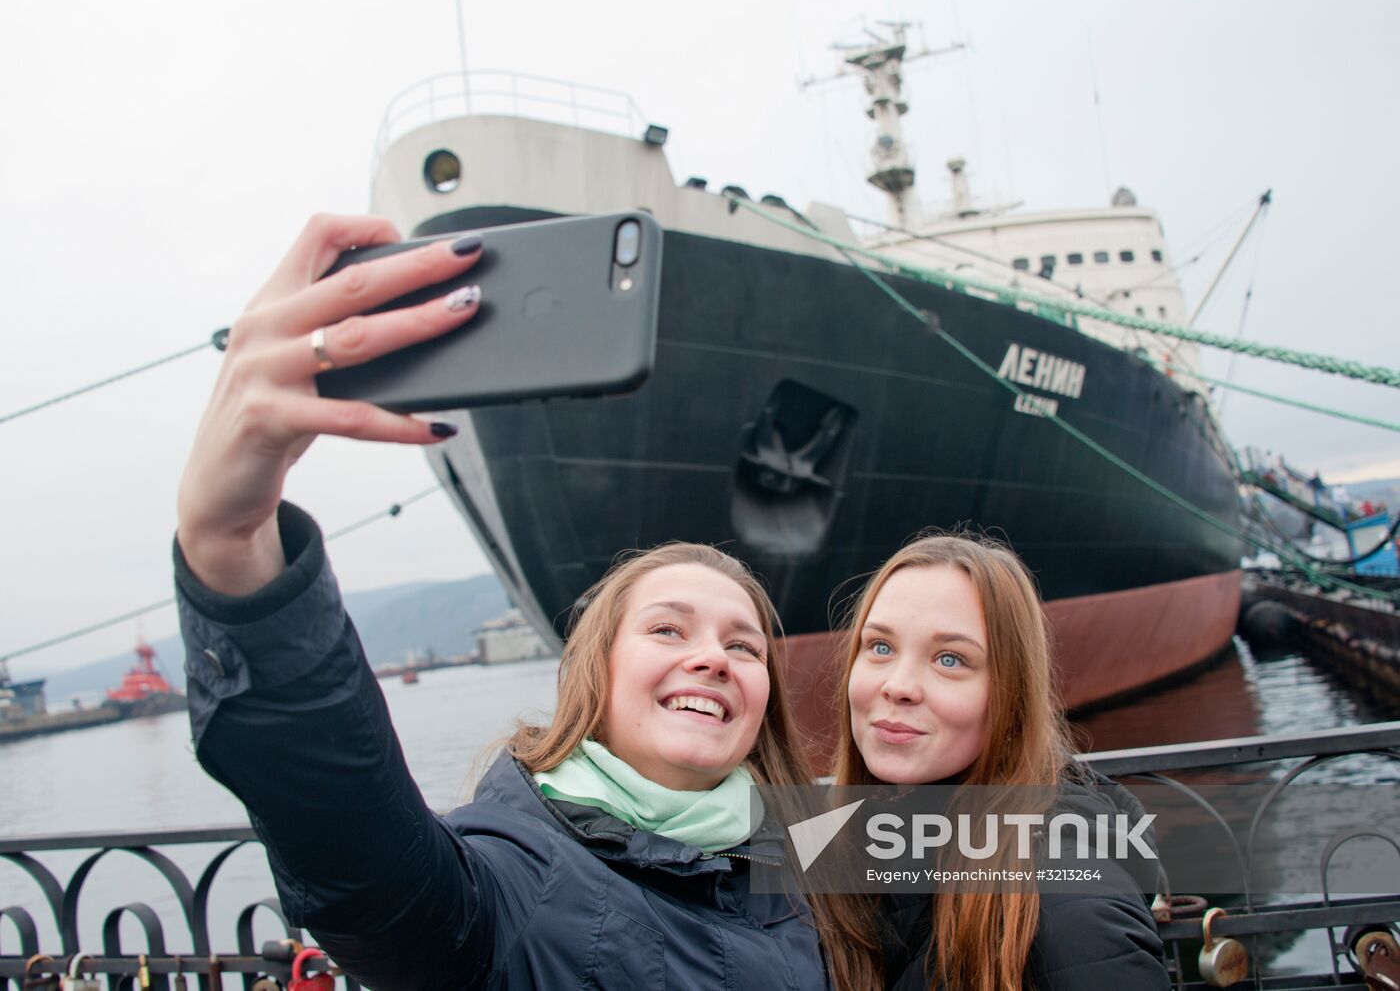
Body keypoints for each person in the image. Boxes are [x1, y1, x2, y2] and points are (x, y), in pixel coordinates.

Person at [174, 214, 830, 989]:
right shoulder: (508, 885)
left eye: (744, 646)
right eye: (667, 628)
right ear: (598, 670)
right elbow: (356, 851)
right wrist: (232, 543)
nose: (712, 658)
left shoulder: (810, 843)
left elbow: (997, 859)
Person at [809, 534, 1169, 991]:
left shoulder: (1070, 907)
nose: (898, 685)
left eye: (950, 658)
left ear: (1010, 698)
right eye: (880, 646)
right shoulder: (840, 836)